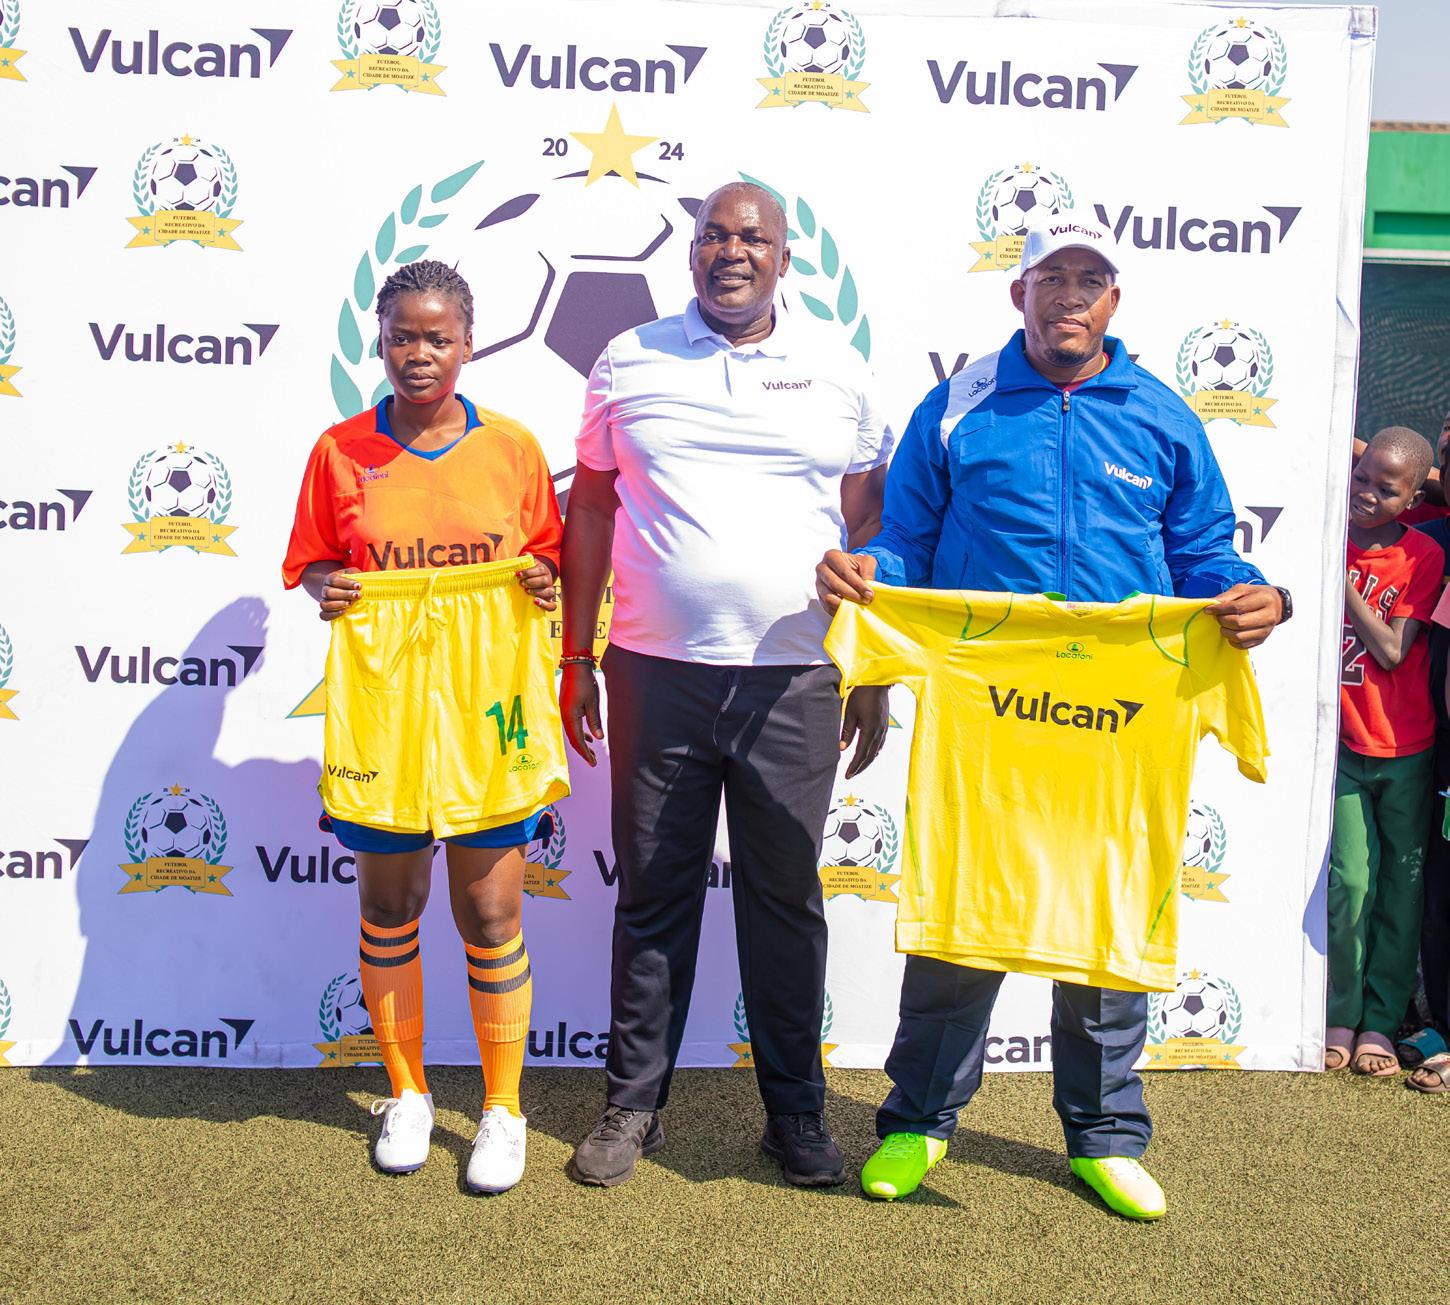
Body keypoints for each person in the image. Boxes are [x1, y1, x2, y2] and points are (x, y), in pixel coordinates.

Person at [815, 211, 1288, 1219]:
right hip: (989, 711)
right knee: (963, 914)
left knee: (1110, 916)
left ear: (1113, 299)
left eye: (1089, 280)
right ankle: (916, 1121)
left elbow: (1205, 552)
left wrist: (1263, 597)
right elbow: (907, 541)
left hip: (1122, 715)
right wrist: (869, 573)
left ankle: (1104, 1136)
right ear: (1017, 293)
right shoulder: (959, 404)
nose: (1069, 296)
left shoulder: (1163, 415)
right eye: (1051, 279)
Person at [558, 181, 893, 1188]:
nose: (731, 251)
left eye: (753, 237)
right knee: (653, 897)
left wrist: (872, 667)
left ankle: (795, 1113)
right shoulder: (628, 358)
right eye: (713, 235)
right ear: (692, 251)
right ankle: (632, 1105)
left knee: (783, 900)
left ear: (785, 258)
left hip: (796, 677)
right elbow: (590, 511)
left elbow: (872, 526)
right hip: (655, 671)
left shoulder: (838, 370)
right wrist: (576, 655)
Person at [282, 260, 568, 1193]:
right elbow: (313, 564)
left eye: (437, 337)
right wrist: (330, 587)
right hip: (386, 705)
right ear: (379, 341)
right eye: (402, 335)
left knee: (490, 911)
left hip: (489, 704)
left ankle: (502, 1108)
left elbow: (550, 561)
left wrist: (542, 580)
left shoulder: (514, 449)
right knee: (390, 907)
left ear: (468, 344)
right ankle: (407, 1091)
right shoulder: (339, 451)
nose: (418, 353)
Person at [1329, 427, 1442, 1077]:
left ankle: (1381, 1018)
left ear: (1413, 500)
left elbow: (1394, 650)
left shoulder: (1423, 554)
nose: (1367, 493)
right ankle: (1340, 1012)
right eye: (1362, 477)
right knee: (1351, 883)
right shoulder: (1324, 534)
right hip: (1343, 747)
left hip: (1405, 748)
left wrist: (1339, 580)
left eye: (1386, 488)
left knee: (1401, 889)